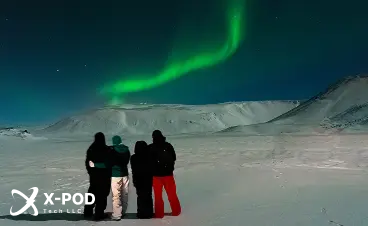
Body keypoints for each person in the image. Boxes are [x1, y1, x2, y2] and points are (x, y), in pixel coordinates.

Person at [149, 130, 181, 218]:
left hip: (156, 176)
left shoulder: (151, 147)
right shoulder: (168, 145)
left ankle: (159, 214)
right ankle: (176, 211)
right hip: (168, 175)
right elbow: (174, 157)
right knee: (172, 194)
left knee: (158, 196)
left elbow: (147, 160)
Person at [84, 132, 112, 221]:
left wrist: (91, 172)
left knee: (92, 193)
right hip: (104, 177)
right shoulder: (107, 149)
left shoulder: (91, 149)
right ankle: (99, 214)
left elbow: (87, 163)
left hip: (94, 176)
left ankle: (87, 212)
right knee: (102, 194)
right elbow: (109, 164)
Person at [109, 135, 131, 221]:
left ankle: (117, 214)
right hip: (125, 174)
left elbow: (109, 162)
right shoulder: (126, 150)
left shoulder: (112, 151)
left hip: (115, 175)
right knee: (124, 194)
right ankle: (123, 212)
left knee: (116, 195)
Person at [131, 141, 154, 219]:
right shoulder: (149, 156)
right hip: (148, 178)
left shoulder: (133, 157)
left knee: (140, 196)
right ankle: (149, 213)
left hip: (138, 179)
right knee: (148, 195)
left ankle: (141, 213)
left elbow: (133, 169)